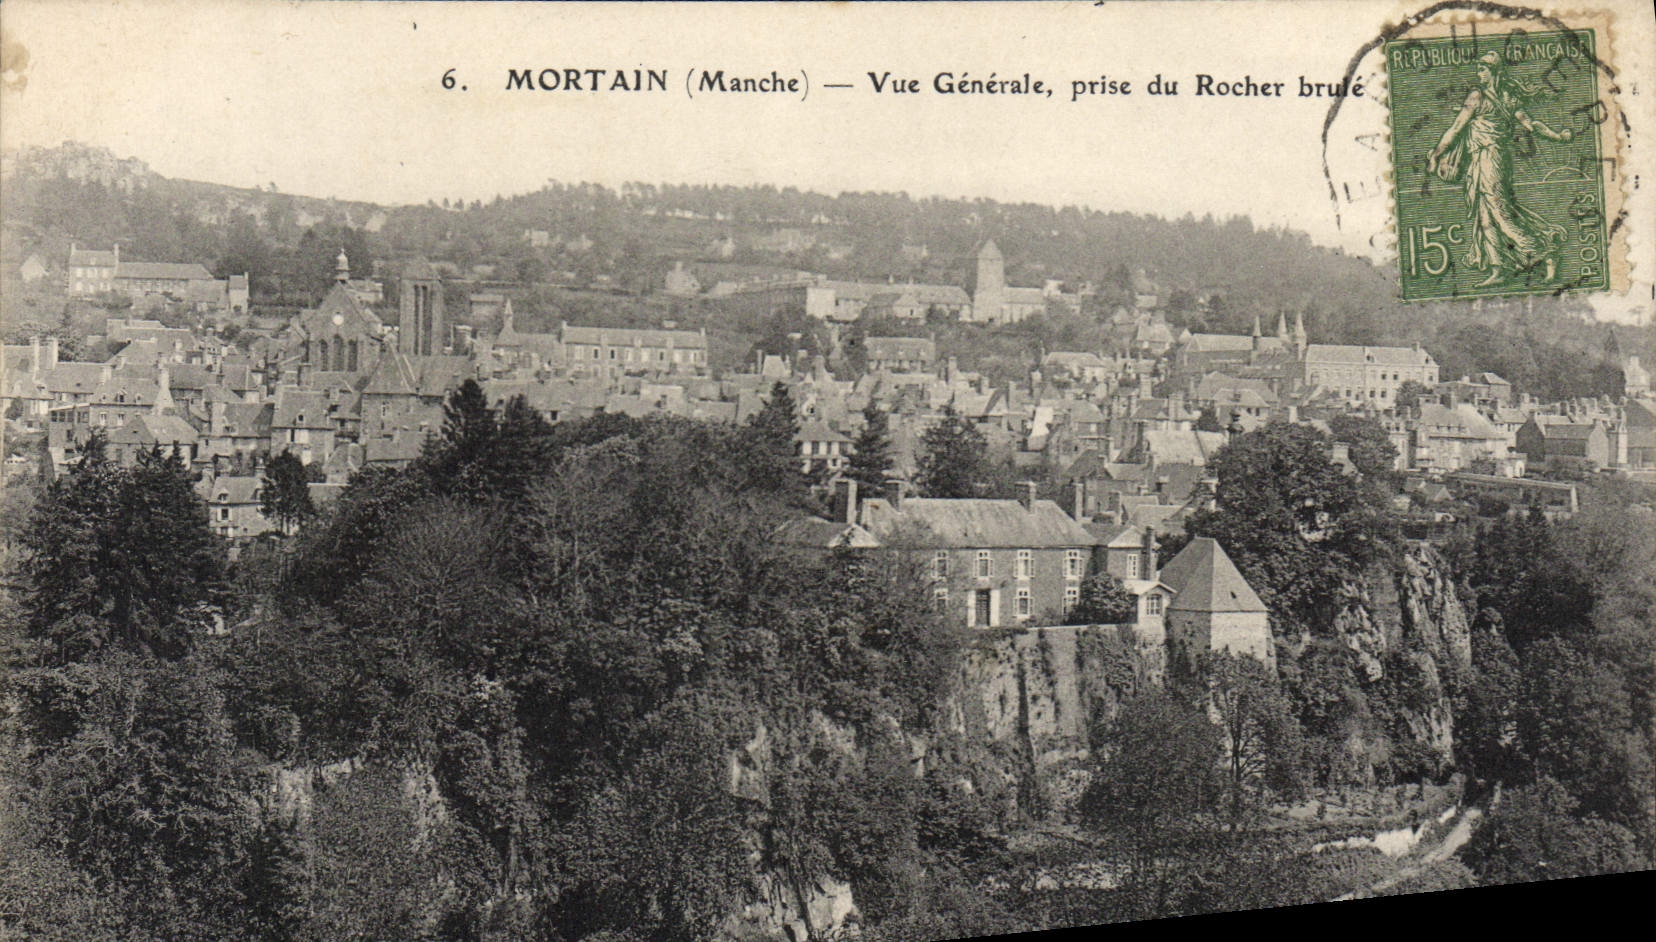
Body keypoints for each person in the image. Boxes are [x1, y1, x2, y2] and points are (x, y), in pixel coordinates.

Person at [1426, 51, 1573, 287]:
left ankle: (1545, 251)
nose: (1479, 73)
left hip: (1491, 158)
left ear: (1493, 71)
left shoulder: (1479, 97)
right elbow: (1531, 125)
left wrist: (1436, 154)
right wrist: (1558, 136)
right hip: (1481, 159)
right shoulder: (1508, 98)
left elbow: (1455, 128)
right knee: (1484, 215)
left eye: (1482, 69)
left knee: (1500, 212)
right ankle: (1499, 269)